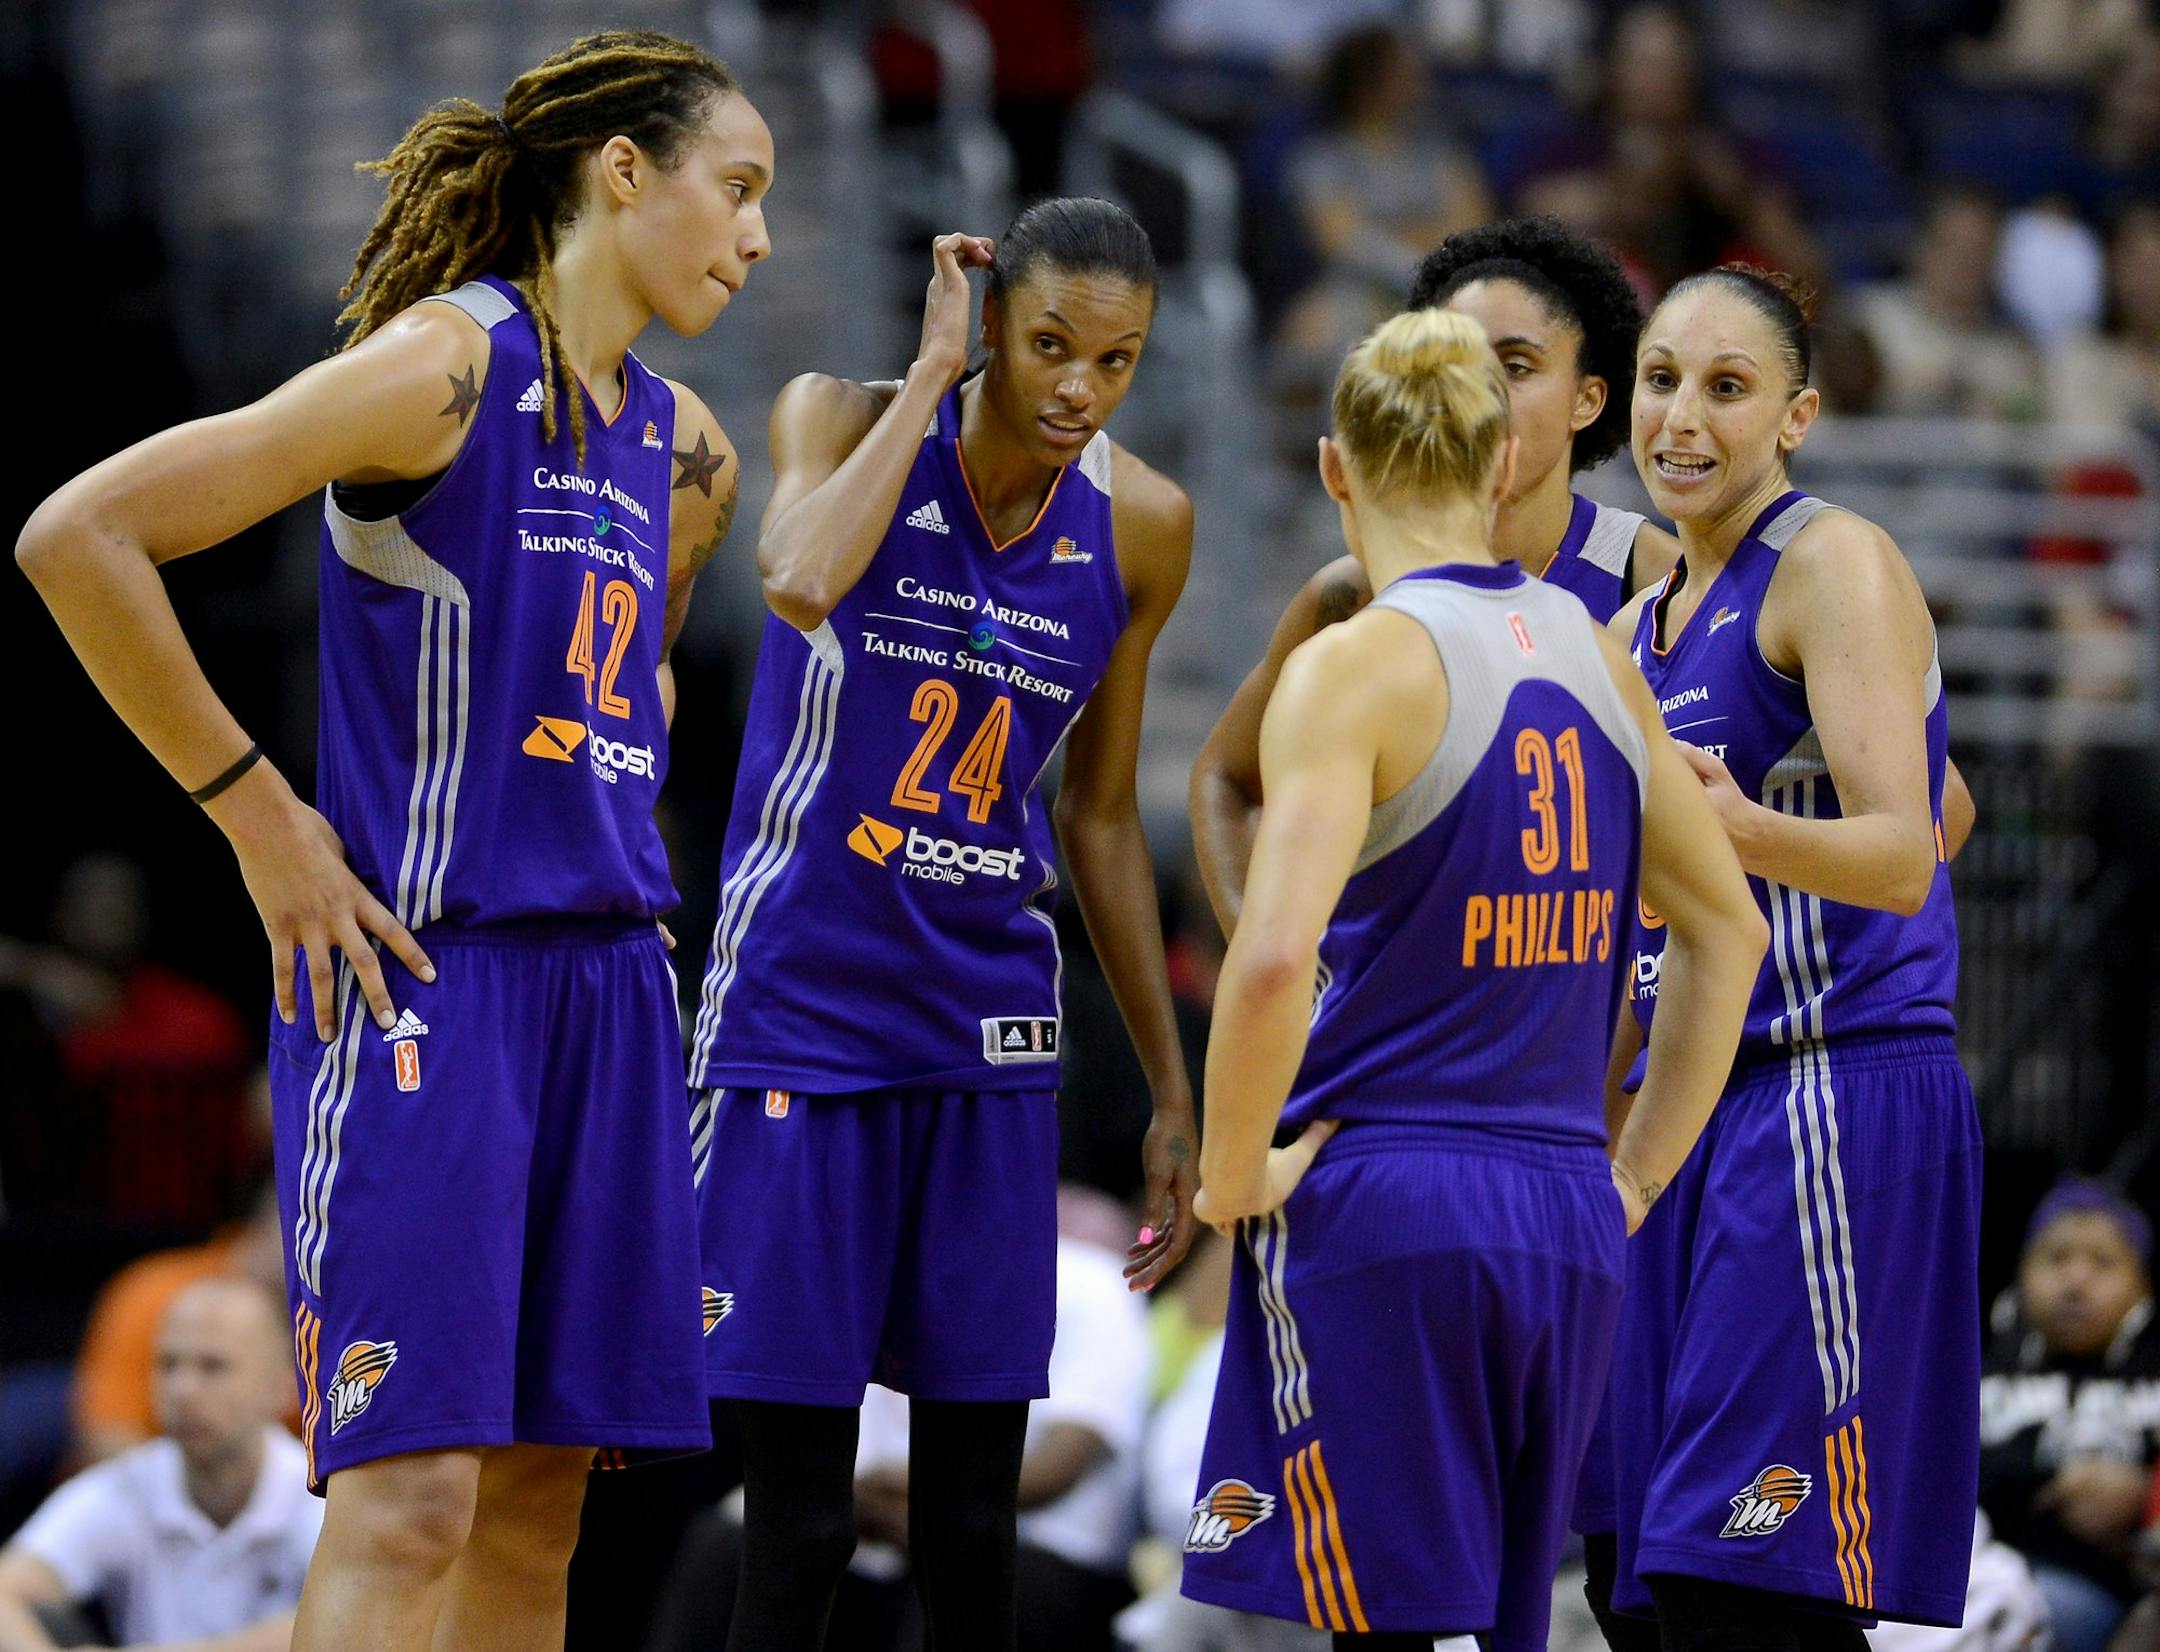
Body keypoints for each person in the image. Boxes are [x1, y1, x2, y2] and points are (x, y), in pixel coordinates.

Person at [14, 30, 769, 1652]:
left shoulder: (691, 451)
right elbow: (80, 535)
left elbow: (625, 728)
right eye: (737, 186)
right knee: (412, 1496)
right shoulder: (443, 366)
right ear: (621, 173)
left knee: (544, 1498)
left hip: (613, 991)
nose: (759, 234)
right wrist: (257, 814)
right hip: (431, 975)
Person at [1178, 307, 1767, 1651]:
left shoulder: (1352, 665)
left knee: (1377, 1631)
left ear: (1337, 470)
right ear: (1505, 465)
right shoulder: (1599, 653)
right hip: (1563, 1213)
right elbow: (1729, 933)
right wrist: (1635, 1177)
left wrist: (1228, 1176)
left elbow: (1272, 960)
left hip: (1391, 1196)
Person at [684, 196, 1197, 1652]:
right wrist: (923, 388)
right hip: (807, 1008)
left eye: (1116, 361)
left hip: (987, 1030)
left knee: (978, 1530)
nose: (1079, 390)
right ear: (990, 330)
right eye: (1047, 346)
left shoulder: (1143, 522)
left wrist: (1173, 1085)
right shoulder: (841, 415)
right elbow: (791, 578)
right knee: (795, 1526)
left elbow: (1099, 818)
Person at [1603, 265, 1987, 1650]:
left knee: (1745, 1581)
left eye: (1727, 385)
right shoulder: (1628, 630)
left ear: (1797, 414)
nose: (1683, 418)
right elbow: (1951, 793)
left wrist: (1746, 826)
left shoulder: (1833, 560)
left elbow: (1904, 850)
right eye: (1660, 380)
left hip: (1827, 1095)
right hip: (1687, 1109)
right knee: (1634, 1571)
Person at [1193, 216, 1679, 938]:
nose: (1480, 398)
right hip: (1406, 1025)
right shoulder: (1351, 593)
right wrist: (1271, 958)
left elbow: (1712, 902)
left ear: (1589, 398)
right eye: (1460, 370)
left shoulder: (1655, 580)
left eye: (1515, 367)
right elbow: (1225, 781)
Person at [0, 1280, 321, 1652]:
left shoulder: (320, 1496)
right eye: (168, 1365)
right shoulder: (127, 1485)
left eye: (213, 1366)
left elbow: (340, 1629)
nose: (182, 1389)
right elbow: (7, 1588)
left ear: (282, 1386)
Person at [1980, 1180, 2160, 1652]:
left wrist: (2143, 1495)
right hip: (1980, 1567)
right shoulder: (1975, 1364)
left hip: (2095, 1586)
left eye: (2103, 1262)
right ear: (2021, 1272)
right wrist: (2053, 1479)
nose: (2076, 1281)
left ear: (2142, 1284)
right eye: (2056, 1258)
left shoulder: (2152, 1375)